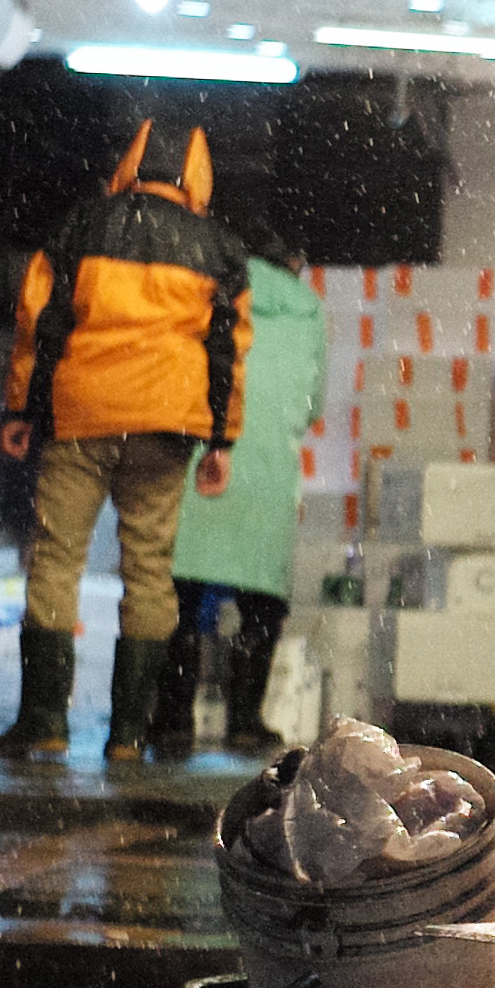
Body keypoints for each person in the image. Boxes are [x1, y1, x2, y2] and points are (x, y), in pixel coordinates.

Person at [0, 117, 244, 767]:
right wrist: (221, 438)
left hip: (84, 411)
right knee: (149, 571)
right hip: (166, 420)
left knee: (56, 559)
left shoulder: (82, 225)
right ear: (198, 176)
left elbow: (38, 320)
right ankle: (129, 734)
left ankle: (44, 721)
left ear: (130, 163)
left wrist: (21, 407)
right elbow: (227, 352)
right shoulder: (219, 249)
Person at [156, 247, 325, 757]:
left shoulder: (211, 288)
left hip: (209, 457)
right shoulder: (308, 312)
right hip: (270, 470)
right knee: (261, 607)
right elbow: (314, 404)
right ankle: (246, 722)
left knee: (183, 599)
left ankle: (173, 720)